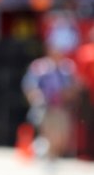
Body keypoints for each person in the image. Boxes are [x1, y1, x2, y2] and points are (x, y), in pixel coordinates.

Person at [22, 22, 80, 161]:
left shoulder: (67, 68)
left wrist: (70, 94)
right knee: (48, 132)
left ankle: (50, 153)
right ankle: (47, 154)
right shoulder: (39, 67)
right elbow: (30, 86)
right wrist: (36, 98)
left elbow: (74, 87)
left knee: (62, 136)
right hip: (46, 107)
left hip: (61, 108)